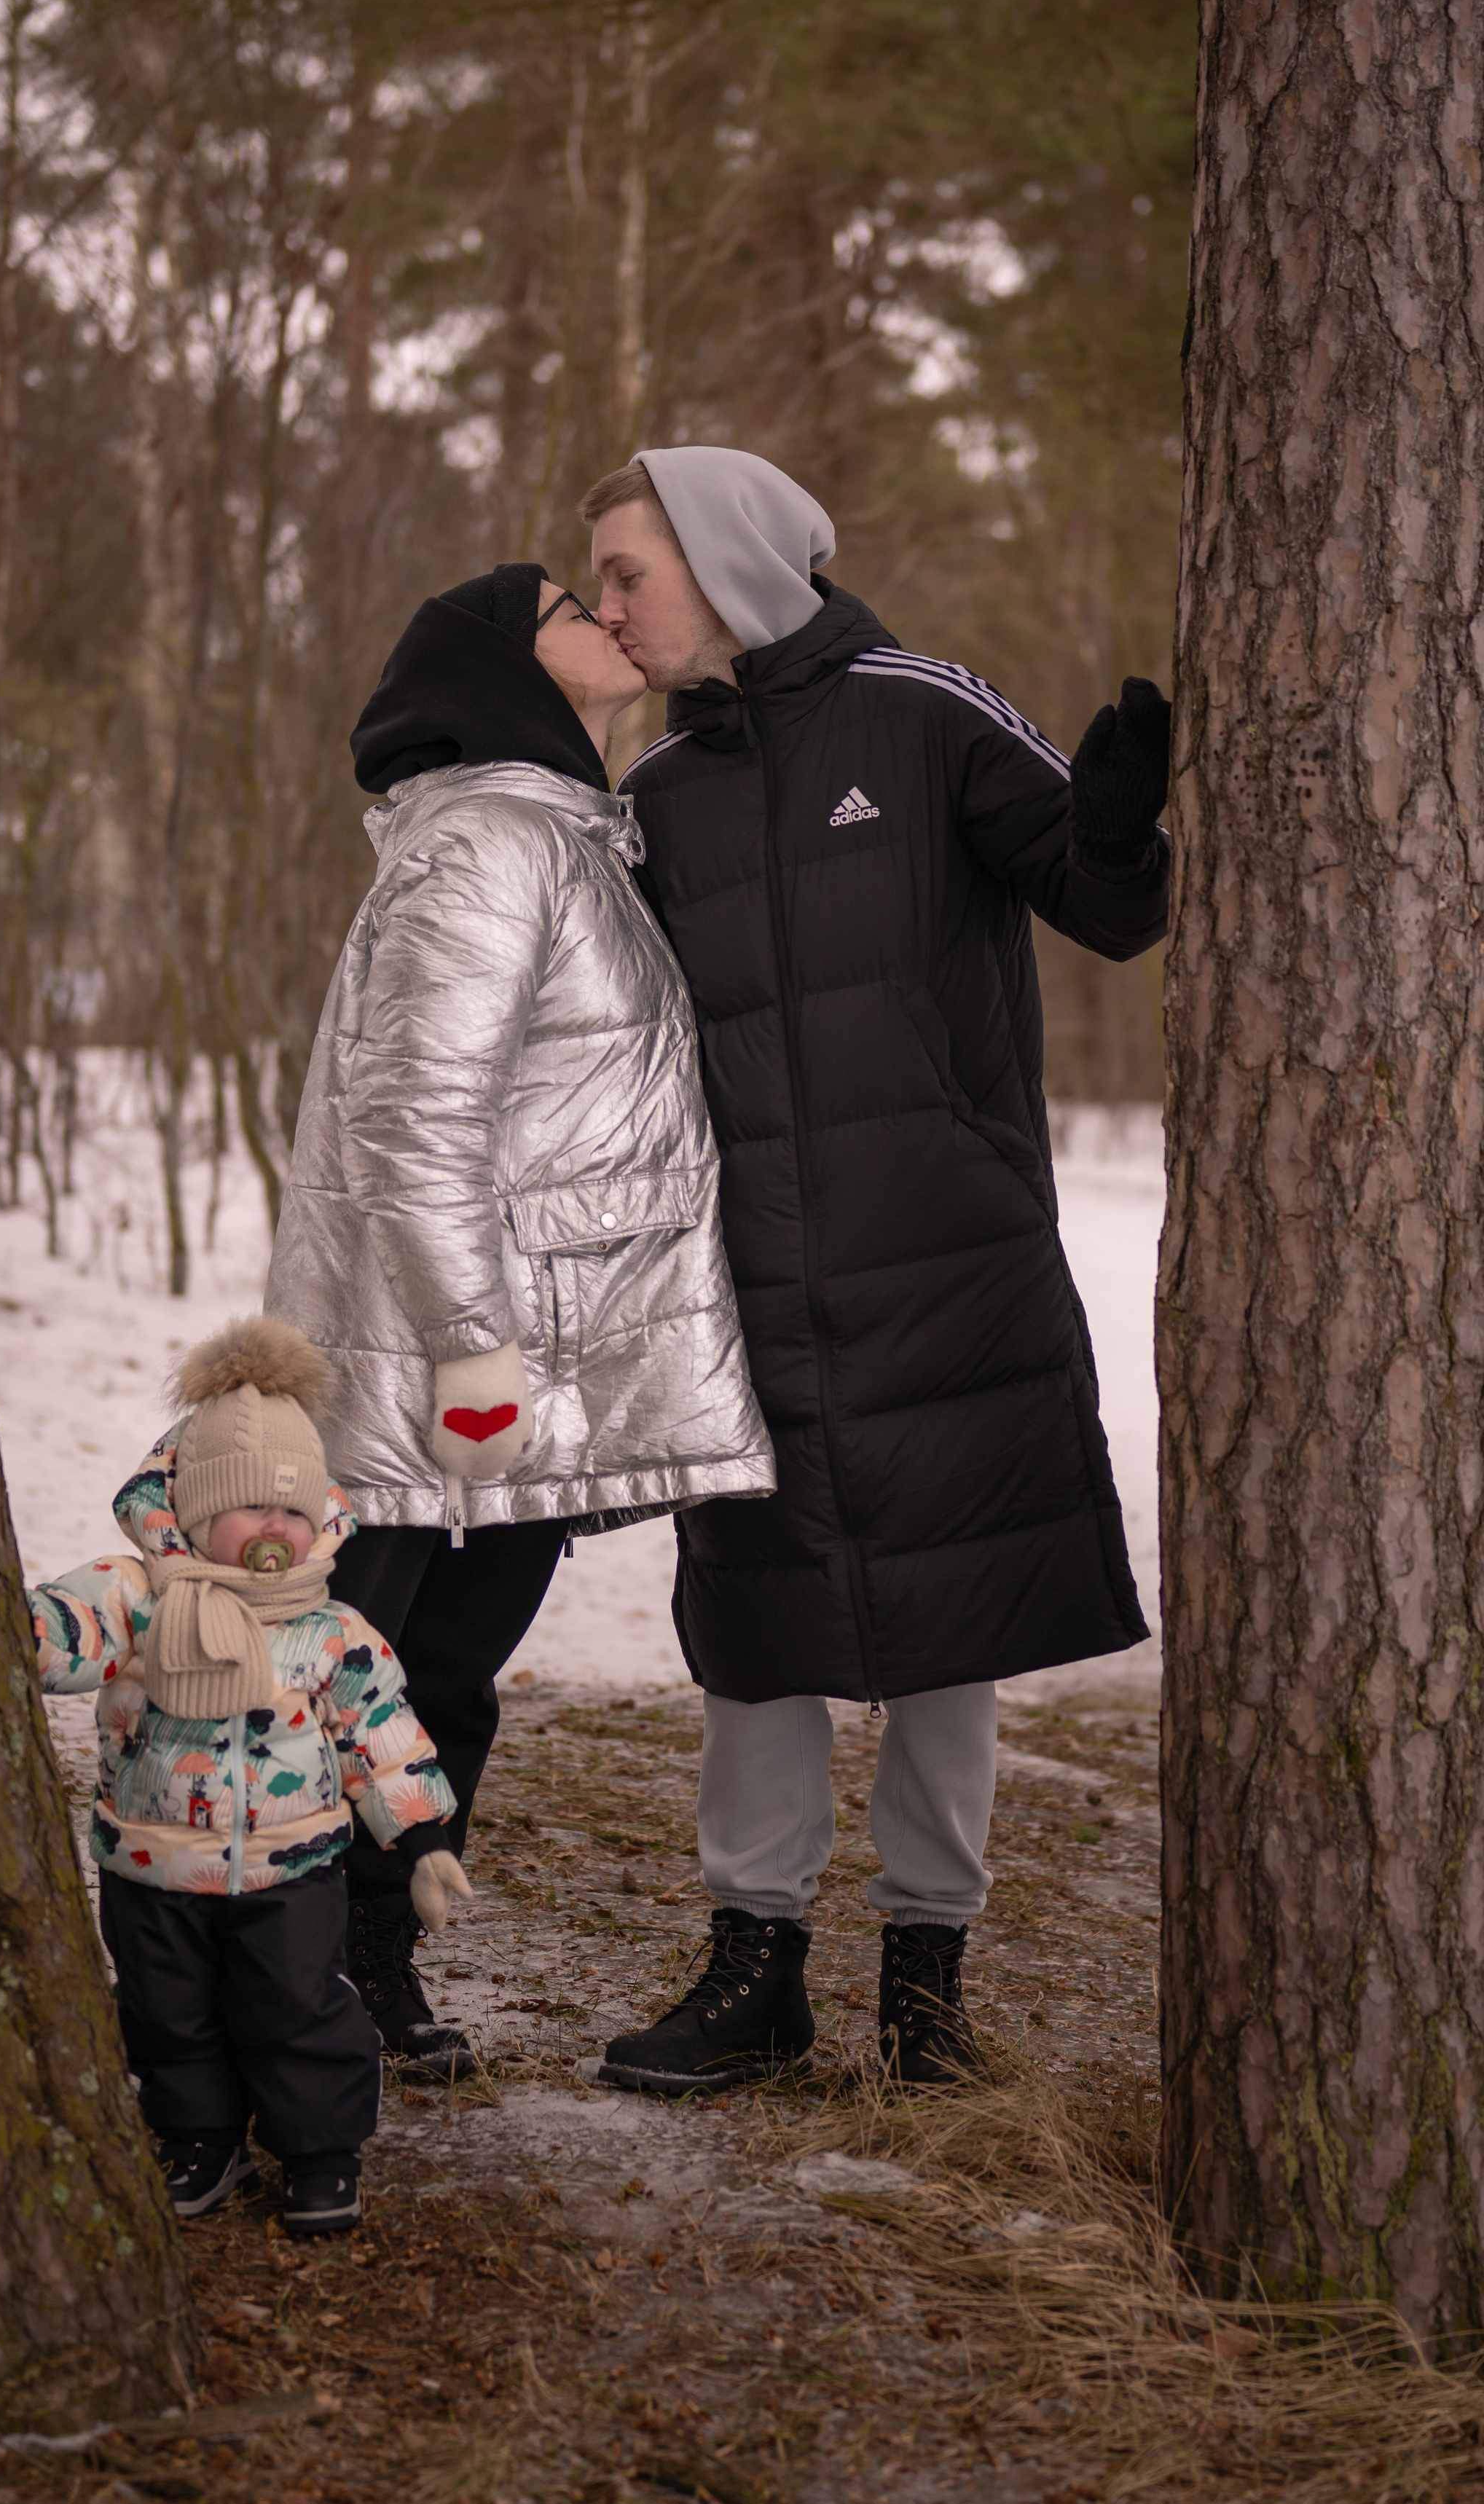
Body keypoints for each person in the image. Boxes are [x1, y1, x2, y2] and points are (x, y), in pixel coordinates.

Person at [581, 447, 1169, 2094]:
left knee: (943, 1618)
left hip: (942, 1257)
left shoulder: (918, 709)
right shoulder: (653, 794)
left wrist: (1117, 827)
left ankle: (927, 1979)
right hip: (744, 1275)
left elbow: (1098, 900)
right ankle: (750, 1968)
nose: (612, 607)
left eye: (628, 572)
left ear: (720, 558)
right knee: (754, 1618)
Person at [259, 562, 774, 2076]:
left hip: (503, 1365)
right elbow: (416, 1124)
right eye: (571, 603)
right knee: (364, 1678)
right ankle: (282, 1989)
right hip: (445, 1369)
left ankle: (364, 1967)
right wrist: (475, 1351)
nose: (612, 619)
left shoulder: (556, 832)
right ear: (495, 665)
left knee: (440, 1681)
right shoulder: (488, 840)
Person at [33, 1314, 464, 2233]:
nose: (275, 1526)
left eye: (292, 1509)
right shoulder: (140, 1595)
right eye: (250, 1507)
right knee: (166, 2014)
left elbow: (380, 1732)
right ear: (193, 1513)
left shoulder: (331, 1627)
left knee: (300, 2007)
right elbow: (62, 1635)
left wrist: (421, 1837)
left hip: (294, 1870)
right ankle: (200, 2136)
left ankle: (319, 2152)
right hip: (152, 1866)